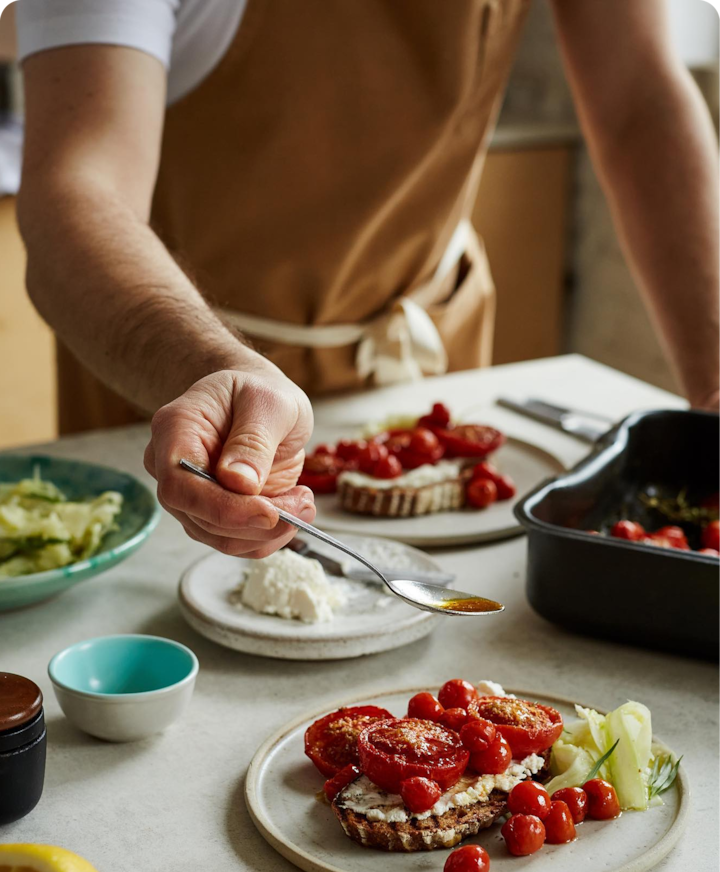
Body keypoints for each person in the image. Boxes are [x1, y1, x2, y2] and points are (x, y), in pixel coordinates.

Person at [14, 0, 720, 559]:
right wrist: (213, 365)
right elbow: (78, 188)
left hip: (429, 352)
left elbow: (637, 96)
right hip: (192, 393)